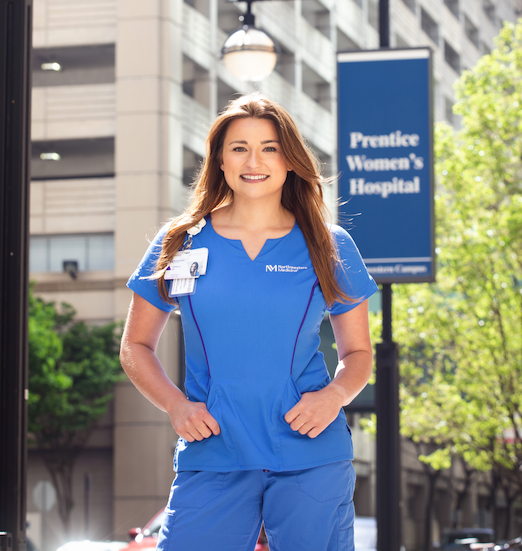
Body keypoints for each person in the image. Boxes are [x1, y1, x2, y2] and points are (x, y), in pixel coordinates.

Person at [120, 94, 378, 551]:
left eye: (270, 148)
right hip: (214, 450)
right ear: (220, 159)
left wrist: (334, 396)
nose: (253, 160)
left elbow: (358, 354)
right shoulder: (180, 241)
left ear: (290, 160)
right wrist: (177, 407)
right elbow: (135, 346)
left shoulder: (327, 243)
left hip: (309, 449)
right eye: (239, 147)